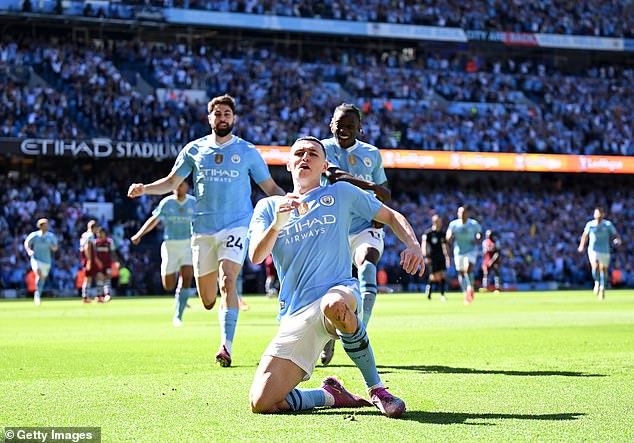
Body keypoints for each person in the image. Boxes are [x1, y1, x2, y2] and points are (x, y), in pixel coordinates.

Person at [248, 136, 424, 418]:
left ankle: (377, 389)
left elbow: (391, 216)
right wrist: (277, 224)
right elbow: (256, 256)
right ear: (289, 163)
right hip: (296, 312)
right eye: (299, 154)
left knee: (333, 304)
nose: (305, 158)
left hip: (339, 290)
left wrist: (413, 244)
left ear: (324, 165)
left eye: (313, 154)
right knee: (262, 402)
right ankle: (330, 395)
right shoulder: (268, 208)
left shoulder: (341, 193)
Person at [128, 94, 284, 366]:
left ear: (233, 118)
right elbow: (171, 181)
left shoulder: (247, 151)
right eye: (218, 114)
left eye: (227, 114)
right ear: (209, 118)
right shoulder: (194, 150)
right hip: (202, 230)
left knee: (228, 280)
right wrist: (145, 189)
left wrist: (292, 202)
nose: (222, 118)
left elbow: (270, 188)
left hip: (236, 225)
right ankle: (217, 314)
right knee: (208, 300)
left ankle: (226, 346)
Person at [319, 103, 391, 366]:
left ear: (360, 128)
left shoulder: (372, 154)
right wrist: (370, 187)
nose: (344, 130)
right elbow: (333, 175)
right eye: (340, 125)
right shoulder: (323, 148)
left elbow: (386, 191)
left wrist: (379, 207)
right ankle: (328, 339)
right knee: (328, 290)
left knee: (368, 263)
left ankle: (359, 333)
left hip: (364, 227)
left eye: (350, 126)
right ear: (331, 125)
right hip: (332, 227)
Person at [131, 181, 196, 326]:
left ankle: (178, 315)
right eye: (177, 185)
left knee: (187, 278)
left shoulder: (193, 203)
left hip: (188, 245)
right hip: (170, 246)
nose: (179, 188)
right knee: (168, 285)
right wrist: (139, 234)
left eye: (182, 185)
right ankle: (179, 296)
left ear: (187, 187)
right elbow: (154, 220)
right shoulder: (167, 203)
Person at [577, 207, 621, 300]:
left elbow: (615, 234)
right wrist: (581, 246)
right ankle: (597, 282)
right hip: (593, 249)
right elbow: (585, 235)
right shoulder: (590, 224)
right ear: (594, 215)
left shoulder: (607, 225)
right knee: (595, 266)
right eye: (597, 214)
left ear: (603, 214)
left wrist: (617, 239)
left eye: (600, 213)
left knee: (603, 269)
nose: (598, 215)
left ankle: (602, 287)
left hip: (605, 250)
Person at [446, 206, 482, 304]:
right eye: (460, 212)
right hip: (459, 251)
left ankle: (471, 288)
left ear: (467, 213)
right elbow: (448, 236)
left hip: (471, 250)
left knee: (468, 269)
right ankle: (465, 292)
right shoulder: (454, 224)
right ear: (458, 213)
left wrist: (477, 239)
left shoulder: (473, 224)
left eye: (464, 212)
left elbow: (479, 234)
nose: (462, 214)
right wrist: (449, 237)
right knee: (461, 273)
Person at [23, 218, 58, 305]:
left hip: (47, 261)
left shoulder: (51, 236)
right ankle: (37, 295)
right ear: (40, 226)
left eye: (47, 225)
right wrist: (29, 251)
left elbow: (56, 247)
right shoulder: (35, 235)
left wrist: (53, 248)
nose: (47, 227)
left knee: (42, 278)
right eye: (45, 225)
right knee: (39, 273)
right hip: (36, 259)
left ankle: (38, 293)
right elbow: (27, 243)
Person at [422, 214, 450, 301]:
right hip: (432, 257)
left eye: (440, 221)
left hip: (441, 256)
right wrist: (426, 256)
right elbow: (424, 245)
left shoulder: (442, 233)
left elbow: (445, 246)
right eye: (438, 221)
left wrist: (448, 257)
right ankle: (429, 292)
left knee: (443, 275)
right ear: (434, 222)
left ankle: (442, 294)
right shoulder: (428, 233)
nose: (439, 223)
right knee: (433, 276)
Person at [79, 220, 100, 303]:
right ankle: (86, 296)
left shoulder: (84, 235)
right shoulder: (90, 235)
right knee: (92, 277)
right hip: (89, 259)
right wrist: (90, 260)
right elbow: (87, 247)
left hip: (85, 258)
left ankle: (86, 296)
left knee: (89, 277)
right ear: (94, 228)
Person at [94, 227, 116, 303]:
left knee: (107, 279)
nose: (99, 235)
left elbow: (113, 253)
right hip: (98, 264)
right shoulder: (95, 242)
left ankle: (107, 295)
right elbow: (93, 254)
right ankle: (99, 296)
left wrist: (114, 262)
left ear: (104, 233)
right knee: (99, 279)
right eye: (97, 233)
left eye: (100, 233)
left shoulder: (110, 242)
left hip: (107, 264)